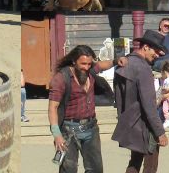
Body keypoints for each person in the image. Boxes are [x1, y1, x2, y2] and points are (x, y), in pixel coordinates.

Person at [48, 45, 125, 173]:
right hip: (68, 130)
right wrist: (57, 135)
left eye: (89, 64)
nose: (86, 67)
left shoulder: (90, 70)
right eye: (83, 64)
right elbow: (52, 108)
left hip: (91, 128)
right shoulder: (61, 78)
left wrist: (116, 61)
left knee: (96, 169)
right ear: (74, 61)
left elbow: (102, 65)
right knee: (69, 169)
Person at [112, 29, 169, 173]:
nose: (157, 55)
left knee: (135, 161)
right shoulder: (143, 68)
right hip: (145, 124)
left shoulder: (124, 63)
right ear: (146, 47)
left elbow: (118, 98)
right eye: (155, 51)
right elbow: (149, 105)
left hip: (130, 121)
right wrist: (160, 132)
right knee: (150, 165)